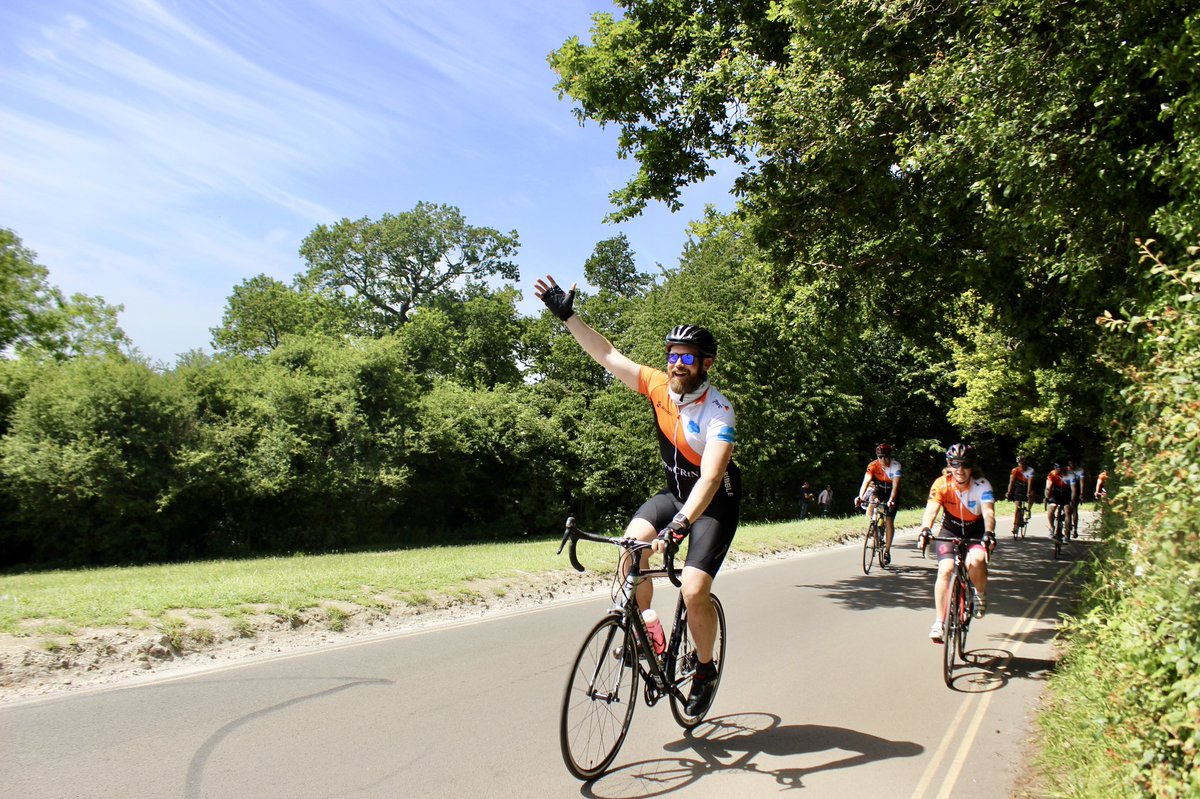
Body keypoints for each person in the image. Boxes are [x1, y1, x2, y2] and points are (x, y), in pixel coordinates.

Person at [534, 275, 740, 717]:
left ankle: (704, 669)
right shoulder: (657, 387)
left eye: (686, 357)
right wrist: (568, 316)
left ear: (705, 363)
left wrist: (680, 526)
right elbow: (607, 354)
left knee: (693, 590)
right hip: (674, 493)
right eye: (671, 355)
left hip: (712, 506)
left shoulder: (718, 411)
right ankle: (648, 628)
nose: (676, 363)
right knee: (631, 552)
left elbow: (710, 477)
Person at [917, 444, 996, 643]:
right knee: (945, 569)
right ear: (949, 465)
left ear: (973, 467)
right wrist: (925, 529)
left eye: (965, 465)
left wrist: (989, 533)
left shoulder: (982, 485)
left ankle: (979, 594)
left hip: (975, 532)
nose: (960, 470)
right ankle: (939, 622)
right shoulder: (942, 483)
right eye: (955, 464)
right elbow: (932, 509)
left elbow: (988, 512)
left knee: (976, 561)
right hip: (949, 531)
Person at [856, 443, 901, 566]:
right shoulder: (873, 465)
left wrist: (891, 499)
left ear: (889, 456)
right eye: (880, 457)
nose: (883, 460)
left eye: (885, 457)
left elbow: (896, 486)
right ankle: (874, 524)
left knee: (889, 521)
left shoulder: (896, 466)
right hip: (880, 490)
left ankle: (886, 552)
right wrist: (860, 497)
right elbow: (866, 482)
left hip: (892, 492)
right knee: (873, 502)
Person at [1043, 461, 1077, 541]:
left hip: (1067, 494)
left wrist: (1072, 499)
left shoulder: (1071, 474)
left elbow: (1073, 489)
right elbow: (1048, 487)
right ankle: (1051, 528)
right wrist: (1047, 497)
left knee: (1067, 510)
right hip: (1055, 493)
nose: (1060, 472)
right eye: (1058, 470)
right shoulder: (1052, 474)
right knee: (1051, 508)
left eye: (1061, 470)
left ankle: (1067, 534)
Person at [1004, 455, 1035, 537]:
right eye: (1020, 464)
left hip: (1028, 486)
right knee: (1017, 507)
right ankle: (1015, 526)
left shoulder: (1030, 470)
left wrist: (1028, 492)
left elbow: (1030, 483)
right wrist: (1009, 492)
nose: (1022, 465)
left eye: (1023, 464)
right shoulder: (1015, 470)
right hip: (1020, 486)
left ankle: (1028, 510)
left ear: (1025, 464)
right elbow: (1011, 482)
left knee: (1032, 494)